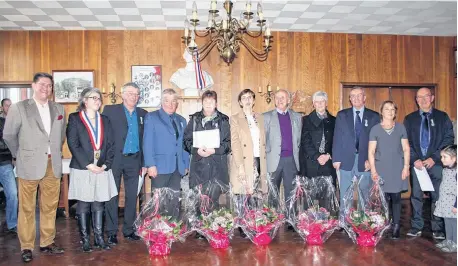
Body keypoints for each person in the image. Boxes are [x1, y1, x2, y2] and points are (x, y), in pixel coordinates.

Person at [3, 72, 66, 263]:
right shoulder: (19, 108)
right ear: (33, 85)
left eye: (49, 85)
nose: (45, 88)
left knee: (49, 206)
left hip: (52, 164)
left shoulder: (59, 108)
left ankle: (47, 242)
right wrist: (19, 154)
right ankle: (27, 246)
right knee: (27, 208)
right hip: (28, 163)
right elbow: (9, 135)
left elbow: (60, 135)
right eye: (41, 84)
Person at [67, 88, 118, 252]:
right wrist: (88, 164)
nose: (97, 101)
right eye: (93, 98)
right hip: (83, 168)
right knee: (83, 204)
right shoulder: (75, 118)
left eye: (99, 98)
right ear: (84, 101)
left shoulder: (105, 120)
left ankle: (99, 238)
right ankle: (85, 240)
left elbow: (111, 145)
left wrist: (105, 165)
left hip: (102, 168)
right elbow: (73, 144)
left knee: (99, 203)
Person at [404, 87, 454, 239]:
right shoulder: (410, 119)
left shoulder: (442, 117)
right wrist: (414, 159)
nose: (423, 99)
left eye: (426, 96)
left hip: (436, 164)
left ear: (432, 98)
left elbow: (448, 139)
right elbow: (406, 143)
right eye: (419, 97)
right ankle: (416, 226)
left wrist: (435, 158)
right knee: (416, 197)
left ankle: (437, 228)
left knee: (437, 196)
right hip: (417, 165)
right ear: (416, 100)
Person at [102, 82, 148, 245]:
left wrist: (144, 162)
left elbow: (145, 140)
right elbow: (104, 136)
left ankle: (129, 230)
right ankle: (112, 231)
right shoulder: (109, 111)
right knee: (112, 196)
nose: (133, 96)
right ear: (122, 94)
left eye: (136, 94)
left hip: (135, 160)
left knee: (131, 196)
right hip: (114, 159)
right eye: (130, 93)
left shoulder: (143, 113)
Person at [183, 90, 231, 239]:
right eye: (206, 102)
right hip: (199, 164)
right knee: (199, 198)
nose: (208, 105)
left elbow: (227, 145)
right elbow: (186, 141)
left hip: (217, 165)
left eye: (211, 102)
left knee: (214, 199)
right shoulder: (194, 119)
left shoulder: (223, 120)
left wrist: (213, 150)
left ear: (216, 103)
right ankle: (200, 230)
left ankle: (213, 227)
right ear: (202, 102)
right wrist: (197, 150)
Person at [332, 87, 380, 215]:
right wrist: (336, 158)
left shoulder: (374, 116)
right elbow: (337, 137)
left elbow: (377, 141)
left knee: (364, 192)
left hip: (365, 161)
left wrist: (372, 160)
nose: (356, 98)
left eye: (359, 95)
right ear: (350, 99)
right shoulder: (342, 115)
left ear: (364, 98)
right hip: (345, 160)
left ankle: (363, 220)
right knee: (345, 192)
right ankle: (344, 220)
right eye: (353, 96)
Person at [143, 89, 189, 219]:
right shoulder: (152, 117)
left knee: (174, 201)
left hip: (177, 167)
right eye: (167, 100)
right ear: (162, 102)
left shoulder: (181, 120)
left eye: (173, 101)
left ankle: (172, 229)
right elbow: (147, 143)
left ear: (177, 103)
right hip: (159, 167)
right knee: (159, 201)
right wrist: (150, 164)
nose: (170, 104)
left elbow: (184, 145)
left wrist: (185, 164)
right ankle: (158, 231)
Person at [368, 100, 410, 239]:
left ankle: (396, 225)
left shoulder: (401, 128)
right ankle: (384, 224)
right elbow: (371, 151)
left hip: (397, 167)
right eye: (387, 109)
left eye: (392, 109)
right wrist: (373, 170)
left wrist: (406, 167)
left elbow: (406, 148)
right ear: (382, 111)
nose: (390, 112)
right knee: (383, 199)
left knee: (396, 197)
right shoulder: (375, 129)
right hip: (381, 168)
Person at [230, 89, 267, 238]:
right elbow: (235, 143)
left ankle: (254, 222)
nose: (247, 100)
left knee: (255, 193)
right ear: (240, 102)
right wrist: (240, 166)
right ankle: (243, 225)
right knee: (243, 194)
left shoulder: (260, 117)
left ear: (253, 100)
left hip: (259, 160)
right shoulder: (235, 118)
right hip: (244, 161)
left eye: (250, 97)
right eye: (244, 98)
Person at [263, 89, 302, 229]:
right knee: (272, 192)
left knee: (291, 192)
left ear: (288, 100)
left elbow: (299, 139)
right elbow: (263, 139)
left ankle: (291, 220)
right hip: (273, 160)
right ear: (274, 100)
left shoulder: (297, 117)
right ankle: (271, 220)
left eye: (283, 97)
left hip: (291, 160)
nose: (280, 100)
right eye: (277, 97)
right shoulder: (266, 117)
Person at [299, 91, 336, 184]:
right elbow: (305, 141)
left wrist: (328, 155)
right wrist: (317, 156)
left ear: (326, 103)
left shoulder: (334, 120)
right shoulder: (305, 120)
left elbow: (337, 141)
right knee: (310, 195)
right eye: (316, 101)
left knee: (328, 195)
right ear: (313, 104)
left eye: (322, 101)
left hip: (328, 163)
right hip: (311, 162)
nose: (319, 104)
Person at [434, 145, 457, 252]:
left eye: (445, 157)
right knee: (447, 221)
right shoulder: (445, 170)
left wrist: (456, 205)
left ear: (454, 158)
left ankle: (455, 243)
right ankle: (449, 240)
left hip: (453, 203)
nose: (442, 159)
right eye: (441, 156)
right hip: (445, 201)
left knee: (454, 223)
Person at [0, 115, 17, 236]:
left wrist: (14, 156)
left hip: (4, 162)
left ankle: (12, 224)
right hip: (5, 161)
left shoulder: (4, 122)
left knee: (13, 194)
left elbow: (11, 140)